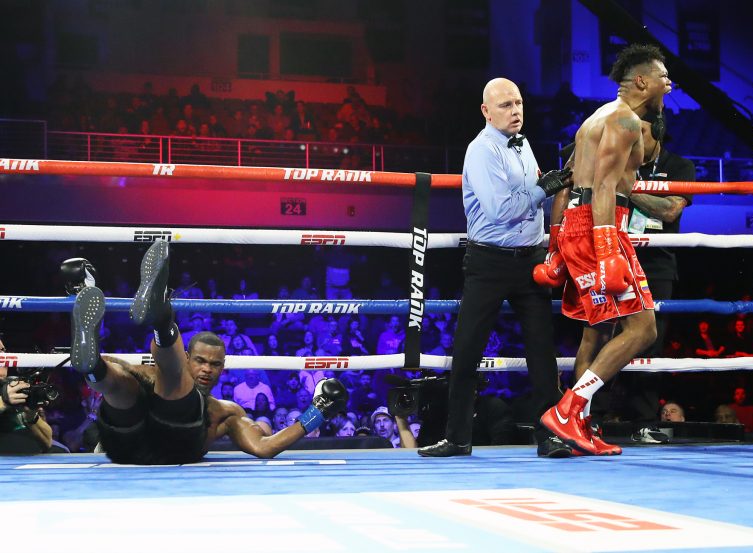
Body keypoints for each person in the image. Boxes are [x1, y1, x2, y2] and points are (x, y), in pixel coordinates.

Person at [67, 240, 348, 464]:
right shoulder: (159, 378)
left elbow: (264, 447)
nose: (206, 369)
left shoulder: (224, 412)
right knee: (130, 384)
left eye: (214, 364)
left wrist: (318, 411)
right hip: (130, 442)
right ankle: (150, 326)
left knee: (150, 385)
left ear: (222, 369)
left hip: (155, 445)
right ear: (188, 358)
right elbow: (128, 373)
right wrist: (102, 363)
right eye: (200, 361)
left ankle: (150, 326)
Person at [416, 77, 572, 458]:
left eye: (518, 103)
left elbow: (531, 200)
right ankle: (457, 437)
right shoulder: (481, 151)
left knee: (541, 351)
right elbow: (501, 209)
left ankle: (549, 436)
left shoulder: (524, 144)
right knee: (468, 348)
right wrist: (544, 188)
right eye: (505, 105)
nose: (515, 111)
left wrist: (547, 199)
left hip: (530, 260)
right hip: (489, 261)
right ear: (486, 111)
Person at [539, 44, 672, 455]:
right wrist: (608, 249)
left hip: (581, 224)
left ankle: (579, 422)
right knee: (643, 329)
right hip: (601, 225)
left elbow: (578, 182)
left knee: (598, 332)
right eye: (663, 77)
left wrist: (557, 246)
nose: (669, 84)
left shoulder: (597, 118)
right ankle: (568, 410)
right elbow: (603, 188)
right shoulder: (624, 120)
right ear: (642, 81)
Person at [0, 339, 54, 453]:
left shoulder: (16, 385)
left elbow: (48, 441)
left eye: (3, 351)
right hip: (7, 457)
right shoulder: (10, 391)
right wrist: (4, 401)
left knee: (62, 450)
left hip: (31, 456)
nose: (4, 355)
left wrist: (31, 416)